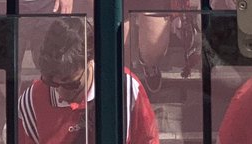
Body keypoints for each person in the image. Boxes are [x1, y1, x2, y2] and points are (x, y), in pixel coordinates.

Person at [17, 17, 159, 144]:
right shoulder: (31, 101)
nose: (60, 92)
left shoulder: (124, 88)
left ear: (90, 61)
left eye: (70, 83)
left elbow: (148, 139)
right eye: (51, 82)